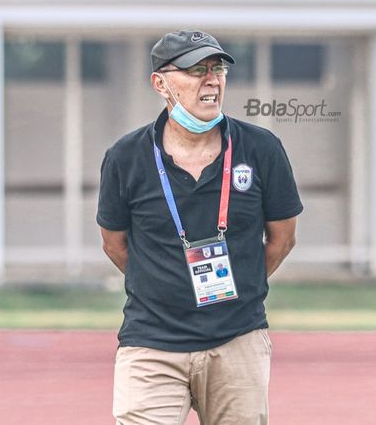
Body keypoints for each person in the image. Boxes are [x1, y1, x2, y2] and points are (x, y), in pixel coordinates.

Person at [97, 29, 303, 425]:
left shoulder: (261, 149)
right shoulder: (126, 157)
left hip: (237, 340)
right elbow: (114, 243)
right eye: (196, 70)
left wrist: (240, 285)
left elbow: (283, 238)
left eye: (217, 68)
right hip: (151, 342)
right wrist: (165, 284)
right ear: (161, 83)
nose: (212, 79)